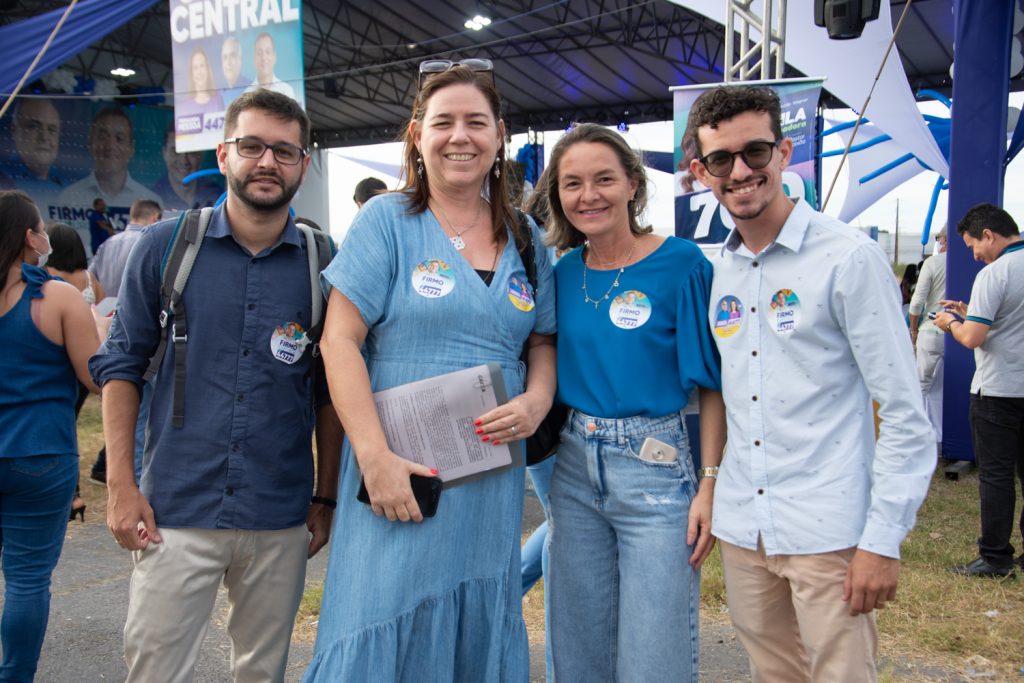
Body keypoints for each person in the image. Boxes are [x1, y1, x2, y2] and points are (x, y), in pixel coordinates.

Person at [302, 61, 556, 681]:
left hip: (490, 480)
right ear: (417, 134)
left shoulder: (525, 237)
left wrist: (537, 401)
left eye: (476, 122)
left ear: (499, 134)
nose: (460, 136)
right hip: (399, 473)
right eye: (443, 122)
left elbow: (543, 341)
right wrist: (374, 459)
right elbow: (339, 342)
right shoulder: (386, 222)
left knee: (476, 620)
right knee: (380, 612)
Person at [88, 89, 342, 681]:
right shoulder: (164, 249)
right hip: (175, 510)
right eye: (252, 146)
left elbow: (330, 391)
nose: (267, 162)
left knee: (261, 672)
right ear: (225, 153)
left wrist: (325, 497)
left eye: (284, 150)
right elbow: (121, 367)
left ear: (304, 164)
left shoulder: (324, 264)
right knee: (156, 670)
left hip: (278, 515)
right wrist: (121, 488)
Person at [687, 84, 935, 681]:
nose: (741, 171)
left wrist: (883, 539)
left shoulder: (847, 258)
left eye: (756, 152)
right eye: (722, 160)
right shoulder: (713, 270)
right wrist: (711, 486)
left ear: (785, 152)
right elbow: (719, 392)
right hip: (745, 526)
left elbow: (904, 411)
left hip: (829, 527)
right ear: (701, 172)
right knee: (774, 673)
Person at [539, 122, 723, 682]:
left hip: (655, 466)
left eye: (603, 179)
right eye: (572, 184)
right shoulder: (560, 273)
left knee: (654, 651)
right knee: (575, 647)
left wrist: (711, 484)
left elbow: (713, 386)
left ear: (633, 186)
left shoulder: (683, 264)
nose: (588, 195)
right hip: (571, 470)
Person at [0, 190, 101, 682]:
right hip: (40, 454)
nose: (45, 237)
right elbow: (96, 378)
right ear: (28, 237)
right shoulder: (57, 296)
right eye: (40, 228)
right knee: (26, 581)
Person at [935, 203, 1024, 578]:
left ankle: (995, 557)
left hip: (997, 392)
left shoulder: (995, 273)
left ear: (989, 235)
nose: (974, 255)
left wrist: (950, 322)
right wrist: (972, 311)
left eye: (974, 246)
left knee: (996, 476)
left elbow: (972, 338)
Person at [56, 106, 160, 220]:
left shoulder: (151, 202)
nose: (110, 145)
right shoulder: (68, 197)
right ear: (90, 144)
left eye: (119, 138)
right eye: (103, 137)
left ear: (131, 148)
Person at [909, 224, 948, 445]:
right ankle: (941, 437)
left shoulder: (932, 263)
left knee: (921, 386)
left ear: (944, 240)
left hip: (930, 330)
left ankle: (918, 438)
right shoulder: (969, 262)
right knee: (941, 388)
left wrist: (913, 329)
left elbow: (916, 303)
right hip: (959, 330)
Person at [90, 198, 162, 298]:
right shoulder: (153, 244)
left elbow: (90, 278)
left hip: (105, 311)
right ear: (155, 217)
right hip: (138, 311)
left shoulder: (106, 245)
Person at [4, 99, 66, 205]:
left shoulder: (67, 187)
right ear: (14, 130)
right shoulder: (3, 179)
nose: (44, 137)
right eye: (34, 126)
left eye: (51, 130)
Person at [151, 125, 224, 211]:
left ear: (200, 155)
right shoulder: (154, 197)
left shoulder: (216, 193)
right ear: (164, 153)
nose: (184, 161)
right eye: (176, 151)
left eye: (191, 152)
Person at [245, 32, 297, 100]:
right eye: (259, 53)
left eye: (268, 52)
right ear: (254, 58)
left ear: (274, 56)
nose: (264, 58)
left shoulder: (286, 91)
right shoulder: (247, 94)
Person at [178, 46, 225, 117]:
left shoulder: (218, 100)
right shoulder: (185, 106)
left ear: (207, 69)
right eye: (195, 68)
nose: (199, 72)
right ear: (192, 74)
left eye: (202, 66)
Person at [220, 36, 252, 106]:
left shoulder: (252, 89)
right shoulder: (219, 95)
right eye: (225, 58)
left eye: (232, 56)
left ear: (240, 59)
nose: (228, 62)